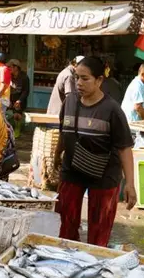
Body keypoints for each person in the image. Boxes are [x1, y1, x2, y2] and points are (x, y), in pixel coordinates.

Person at [53, 56, 136, 247]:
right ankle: (66, 261)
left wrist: (130, 184)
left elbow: (124, 148)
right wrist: (57, 156)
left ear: (99, 80)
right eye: (76, 78)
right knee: (65, 223)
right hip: (72, 169)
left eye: (85, 78)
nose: (79, 83)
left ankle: (94, 262)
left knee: (99, 229)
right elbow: (63, 132)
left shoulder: (112, 110)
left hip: (104, 174)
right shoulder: (69, 102)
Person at [8, 59, 30, 123]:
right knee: (11, 119)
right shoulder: (9, 76)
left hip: (20, 102)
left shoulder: (24, 77)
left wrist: (19, 101)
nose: (9, 68)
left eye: (10, 67)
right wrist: (8, 100)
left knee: (18, 119)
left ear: (16, 67)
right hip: (11, 101)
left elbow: (26, 91)